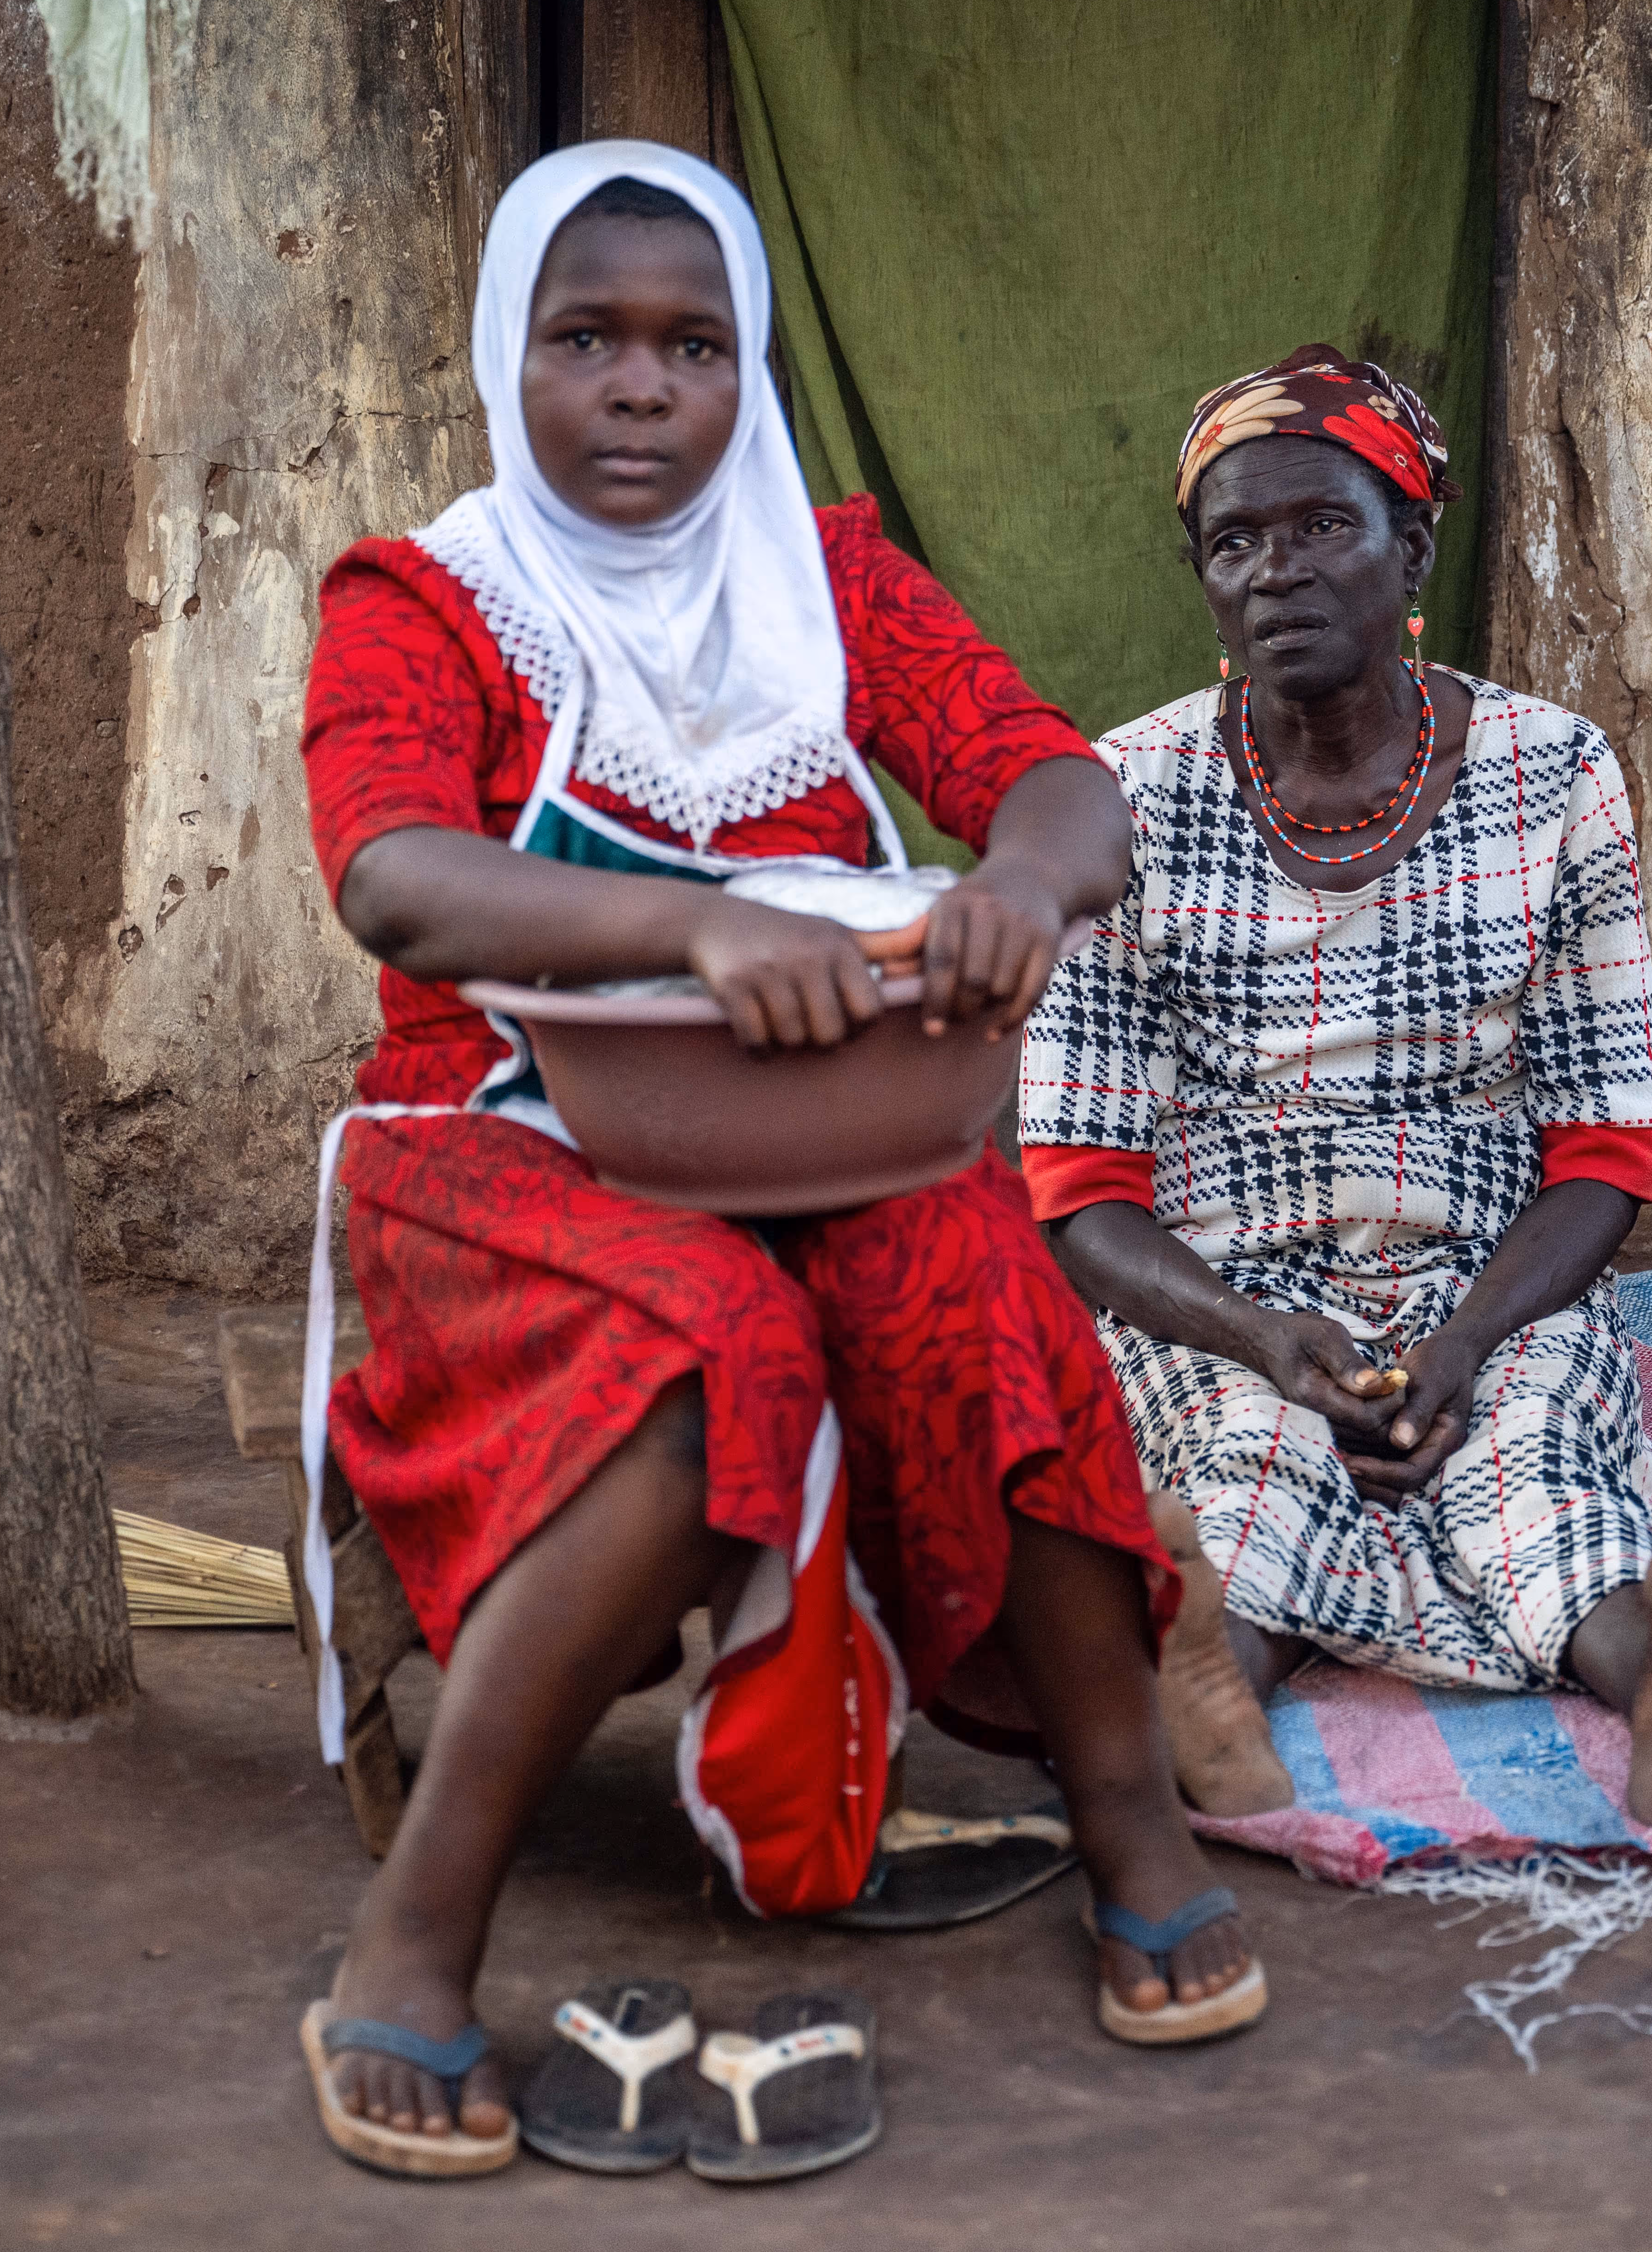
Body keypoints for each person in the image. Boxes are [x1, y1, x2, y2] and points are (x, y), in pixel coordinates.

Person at [292, 143, 1258, 2179]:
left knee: (986, 1281)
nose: (640, 392)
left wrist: (1014, 881)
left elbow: (1063, 781)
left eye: (692, 347)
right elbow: (391, 875)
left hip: (826, 1125)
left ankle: (1128, 1814)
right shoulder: (430, 600)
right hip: (502, 1137)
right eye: (585, 342)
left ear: (746, 377)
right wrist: (701, 920)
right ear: (508, 359)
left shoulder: (823, 580)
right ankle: (412, 1941)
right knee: (707, 1343)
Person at [1017, 346, 1652, 1834]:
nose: (1277, 573)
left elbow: (1602, 1151)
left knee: (1532, 1464)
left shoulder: (1551, 773)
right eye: (1235, 542)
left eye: (1323, 527)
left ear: (1414, 548)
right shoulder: (1117, 796)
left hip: (1482, 1268)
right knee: (1252, 1461)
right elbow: (1077, 1191)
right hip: (1223, 1280)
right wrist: (1264, 1334)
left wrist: (1460, 1335)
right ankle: (1205, 1684)